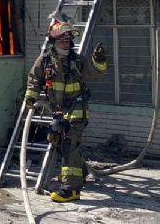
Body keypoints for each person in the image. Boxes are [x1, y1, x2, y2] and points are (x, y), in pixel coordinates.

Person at [23, 16, 107, 202]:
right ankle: (80, 173)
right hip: (58, 111)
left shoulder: (77, 60)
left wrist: (99, 60)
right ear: (54, 41)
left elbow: (97, 72)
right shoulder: (45, 61)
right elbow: (34, 79)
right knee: (60, 142)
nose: (66, 43)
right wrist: (31, 96)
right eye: (62, 39)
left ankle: (71, 189)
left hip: (77, 110)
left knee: (69, 146)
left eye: (68, 39)